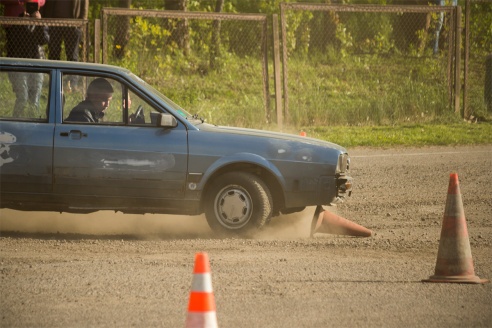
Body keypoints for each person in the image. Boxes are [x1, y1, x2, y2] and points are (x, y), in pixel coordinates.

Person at [3, 0, 49, 117]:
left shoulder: (41, 22)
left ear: (38, 7)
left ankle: (34, 125)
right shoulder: (17, 20)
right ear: (23, 5)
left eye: (34, 5)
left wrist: (39, 23)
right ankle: (15, 123)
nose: (31, 7)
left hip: (37, 63)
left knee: (35, 100)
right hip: (19, 64)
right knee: (23, 98)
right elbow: (12, 41)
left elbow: (44, 40)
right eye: (29, 4)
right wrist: (22, 21)